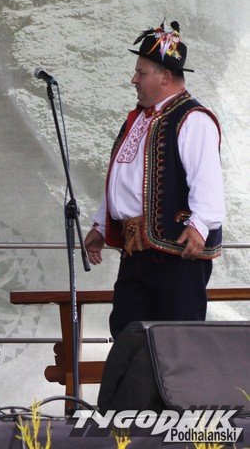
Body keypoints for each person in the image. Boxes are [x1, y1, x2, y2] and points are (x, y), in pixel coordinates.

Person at [84, 21, 224, 338]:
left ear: (165, 76)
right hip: (137, 250)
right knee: (128, 333)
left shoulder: (192, 118)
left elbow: (207, 179)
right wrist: (102, 226)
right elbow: (123, 176)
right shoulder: (138, 119)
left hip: (177, 252)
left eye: (141, 73)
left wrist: (200, 225)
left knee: (176, 339)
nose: (134, 79)